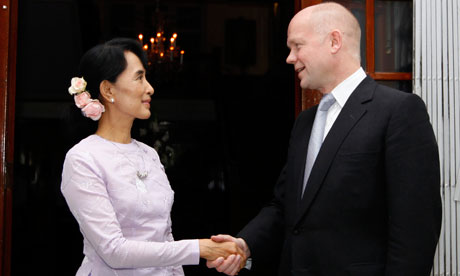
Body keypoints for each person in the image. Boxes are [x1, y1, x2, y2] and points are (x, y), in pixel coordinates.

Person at [207, 2, 442, 276]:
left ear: (334, 41)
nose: (290, 58)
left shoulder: (398, 112)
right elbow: (285, 206)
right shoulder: (305, 122)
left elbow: (416, 230)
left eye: (297, 46)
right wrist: (245, 244)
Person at [61, 38, 245, 276]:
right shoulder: (83, 158)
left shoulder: (148, 154)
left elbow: (164, 235)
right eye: (139, 77)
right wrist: (199, 249)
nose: (150, 88)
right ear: (108, 90)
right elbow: (113, 251)